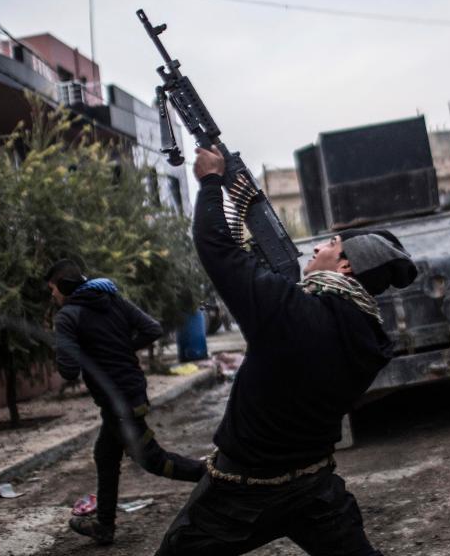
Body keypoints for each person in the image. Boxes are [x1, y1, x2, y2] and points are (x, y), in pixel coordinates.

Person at [155, 146, 417, 556]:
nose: (316, 249)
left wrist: (208, 182)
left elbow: (216, 249)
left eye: (329, 245)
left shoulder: (289, 313)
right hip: (314, 488)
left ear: (345, 267)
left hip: (238, 496)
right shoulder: (368, 337)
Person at [45, 259, 206, 545]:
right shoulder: (111, 298)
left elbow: (68, 370)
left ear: (66, 288)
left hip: (119, 402)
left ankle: (215, 477)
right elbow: (152, 328)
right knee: (105, 455)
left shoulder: (68, 316)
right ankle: (105, 527)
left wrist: (69, 347)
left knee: (154, 461)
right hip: (129, 393)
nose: (52, 297)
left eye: (53, 290)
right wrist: (121, 348)